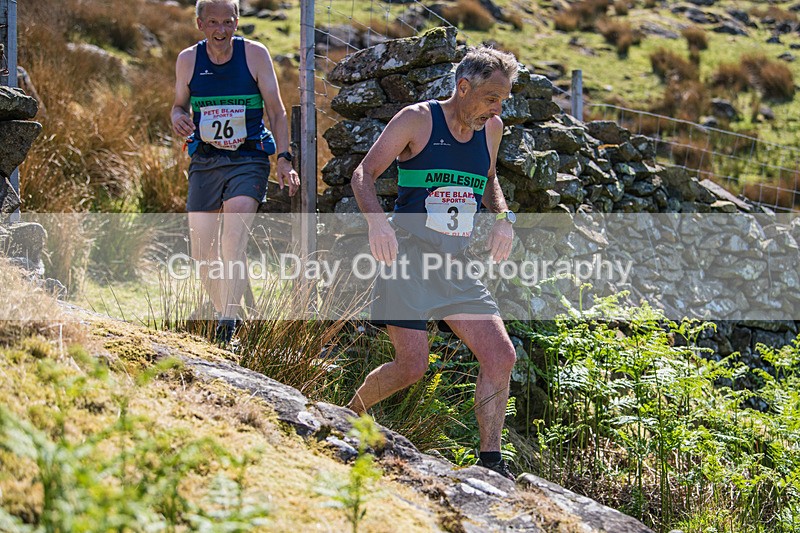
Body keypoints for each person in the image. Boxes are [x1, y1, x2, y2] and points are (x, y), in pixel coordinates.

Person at [347, 48, 520, 480]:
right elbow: (363, 174)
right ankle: (348, 415)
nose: (498, 109)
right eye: (492, 98)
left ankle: (491, 463)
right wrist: (377, 224)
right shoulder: (418, 120)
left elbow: (489, 179)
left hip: (455, 263)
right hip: (407, 257)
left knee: (501, 355)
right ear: (463, 87)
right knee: (412, 366)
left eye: (503, 100)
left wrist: (503, 218)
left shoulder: (491, 129)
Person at [171, 0, 299, 344]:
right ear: (200, 24)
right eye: (213, 22)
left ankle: (226, 325)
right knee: (202, 252)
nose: (221, 30)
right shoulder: (188, 60)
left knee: (232, 239)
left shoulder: (255, 55)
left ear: (237, 22)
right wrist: (177, 118)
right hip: (205, 161)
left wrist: (283, 158)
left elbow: (277, 111)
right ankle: (229, 313)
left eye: (228, 22)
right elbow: (178, 105)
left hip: (249, 158)